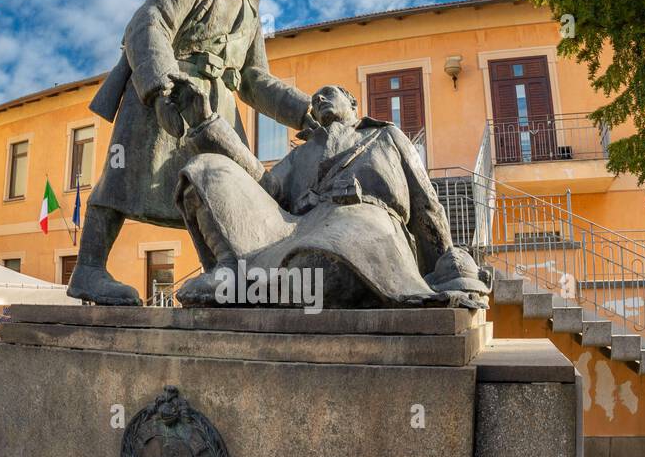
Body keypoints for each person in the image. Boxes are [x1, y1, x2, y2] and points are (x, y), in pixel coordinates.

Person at [68, 0, 312, 305]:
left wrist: (304, 112)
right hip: (168, 88)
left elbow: (253, 79)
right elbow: (150, 22)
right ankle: (88, 269)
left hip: (216, 108)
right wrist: (160, 88)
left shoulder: (252, 12)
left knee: (221, 189)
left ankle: (222, 277)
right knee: (123, 178)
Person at [174, 85, 488, 309]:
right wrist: (208, 124)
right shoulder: (302, 153)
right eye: (314, 99)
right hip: (293, 229)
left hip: (364, 224)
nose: (319, 99)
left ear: (352, 101)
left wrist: (445, 266)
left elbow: (426, 202)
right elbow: (267, 188)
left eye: (328, 93)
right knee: (205, 169)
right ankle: (231, 272)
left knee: (321, 265)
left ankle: (256, 285)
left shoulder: (385, 135)